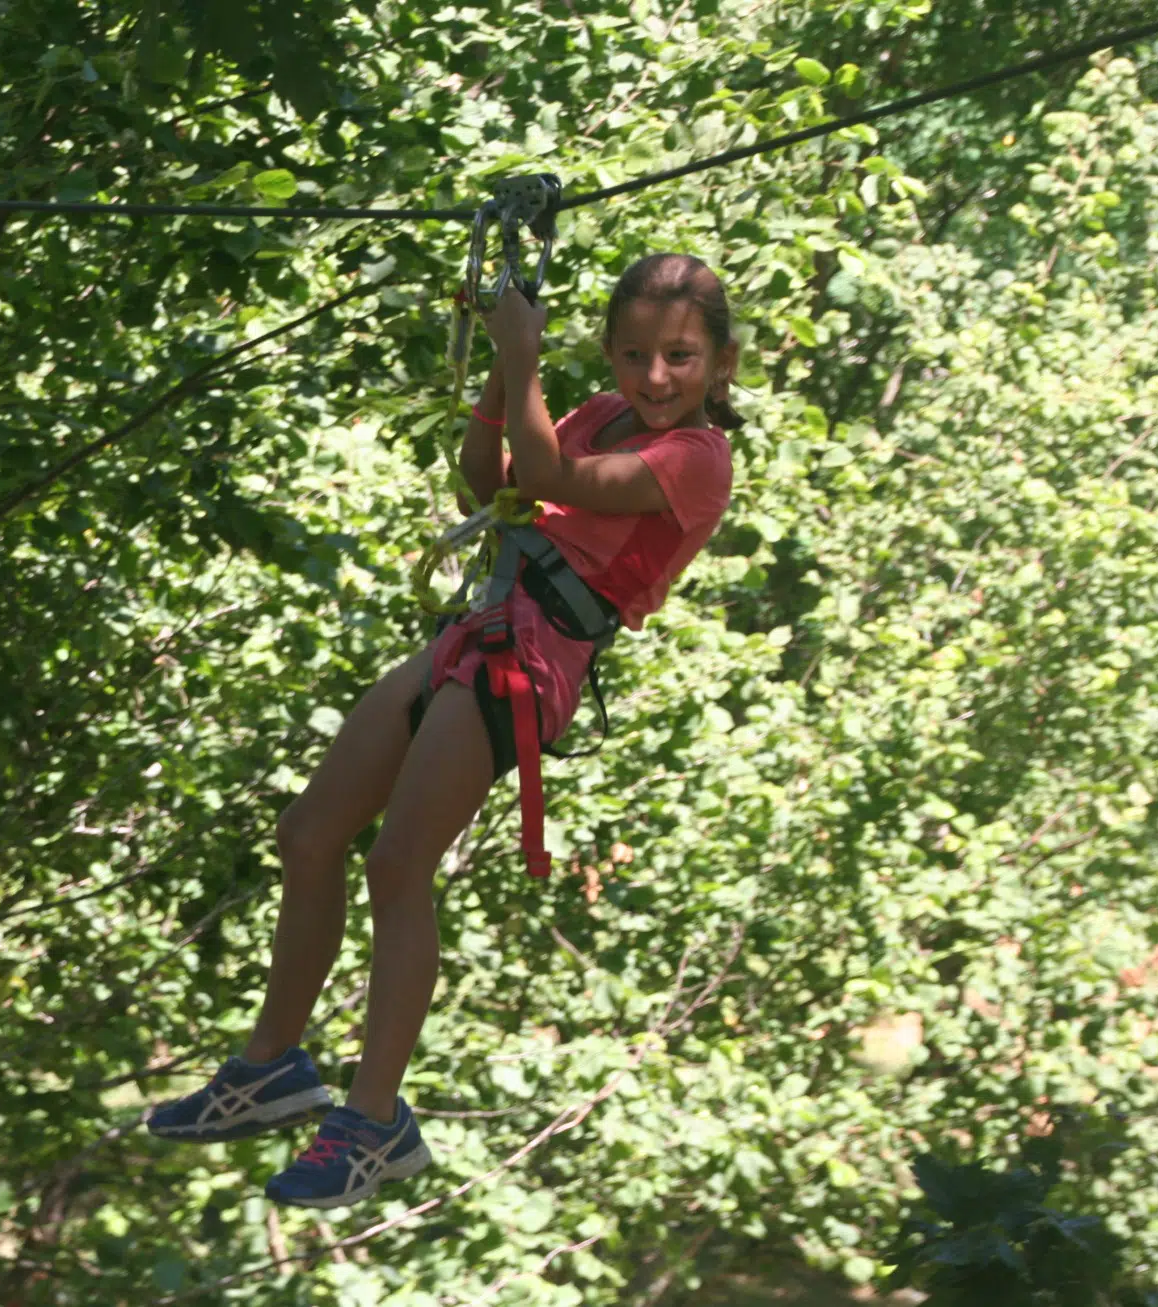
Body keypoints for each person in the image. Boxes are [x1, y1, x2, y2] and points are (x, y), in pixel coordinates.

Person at [148, 253, 740, 1210]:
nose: (655, 376)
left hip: (531, 658)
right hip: (477, 630)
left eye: (678, 356)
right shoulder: (595, 415)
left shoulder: (696, 458)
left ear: (720, 363)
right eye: (635, 354)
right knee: (307, 832)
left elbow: (549, 474)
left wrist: (522, 355)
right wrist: (508, 377)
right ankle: (271, 1068)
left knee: (397, 865)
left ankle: (375, 1119)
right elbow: (491, 483)